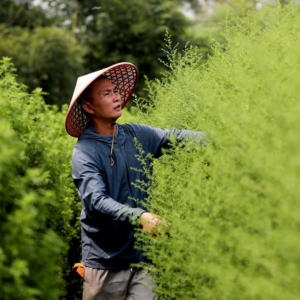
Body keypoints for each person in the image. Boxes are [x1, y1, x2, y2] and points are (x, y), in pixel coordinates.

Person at [65, 62, 204, 300]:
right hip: (105, 263)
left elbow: (176, 137)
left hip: (142, 257)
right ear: (88, 106)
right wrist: (139, 216)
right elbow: (96, 200)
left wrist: (225, 137)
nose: (116, 96)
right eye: (106, 93)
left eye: (116, 91)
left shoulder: (135, 134)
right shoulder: (85, 152)